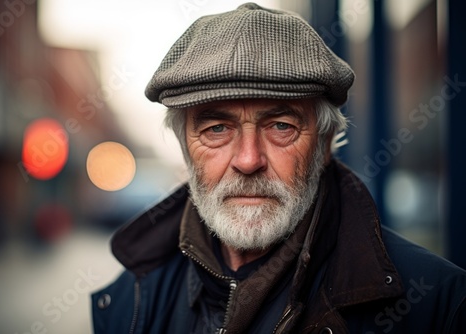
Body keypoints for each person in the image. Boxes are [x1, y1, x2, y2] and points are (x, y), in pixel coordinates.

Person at [91, 3, 466, 333]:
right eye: (217, 129)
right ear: (186, 149)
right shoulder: (132, 298)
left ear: (323, 145)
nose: (248, 160)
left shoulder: (438, 305)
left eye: (281, 126)